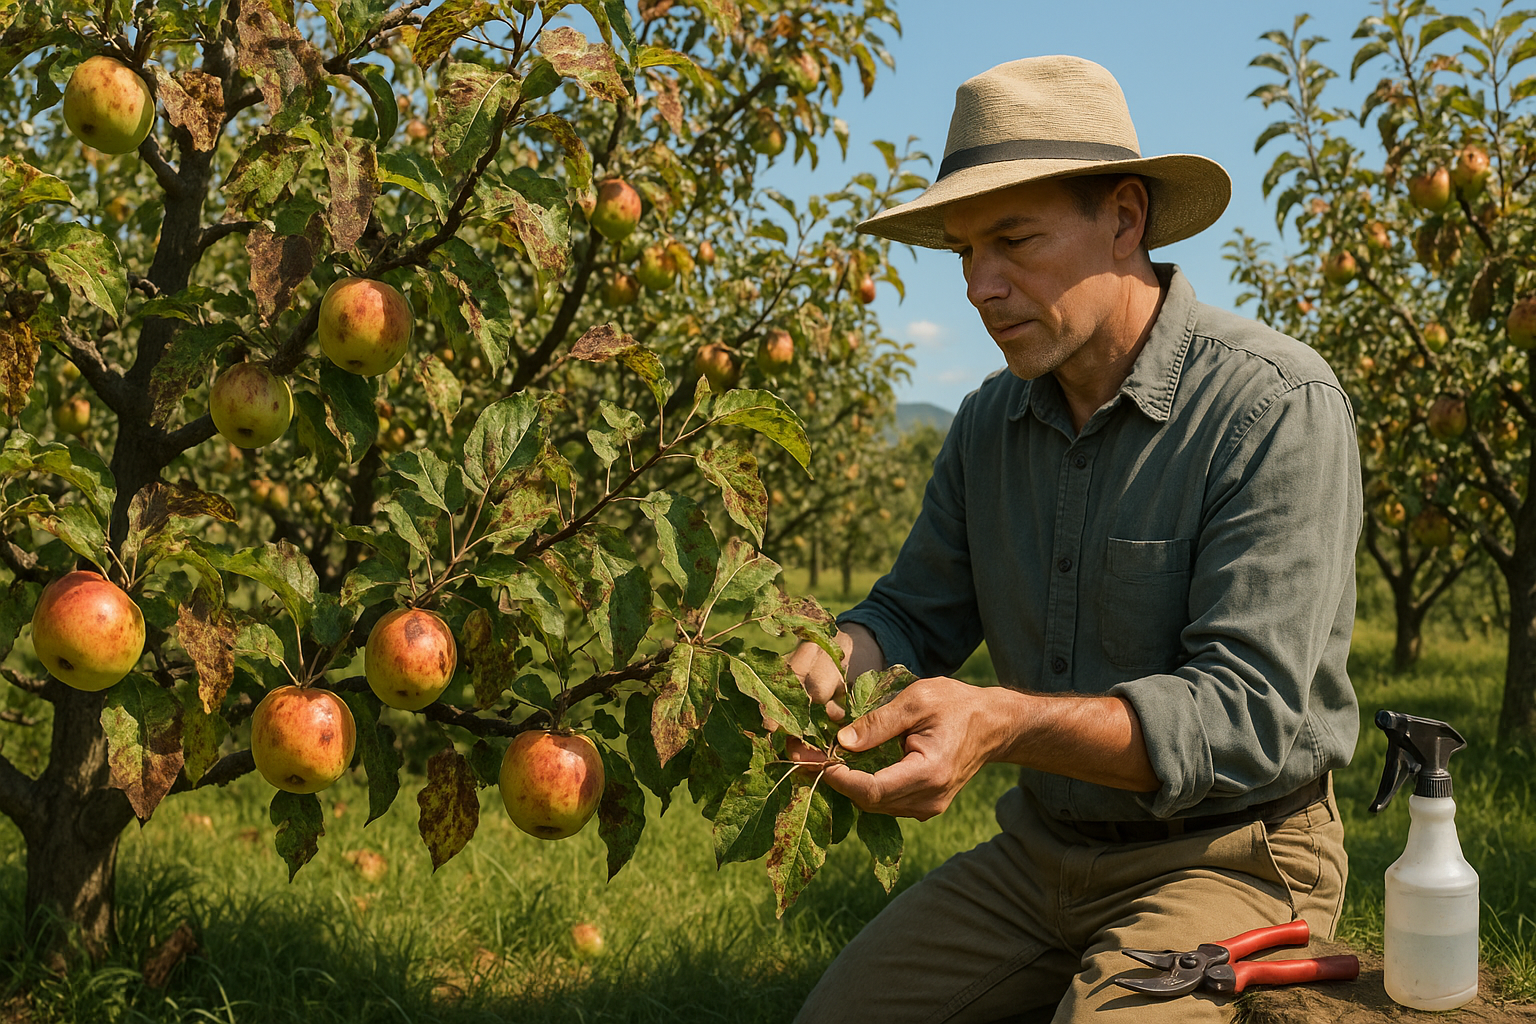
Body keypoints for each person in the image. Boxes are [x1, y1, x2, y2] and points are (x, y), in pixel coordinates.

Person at [788, 55, 1362, 1024]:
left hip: (1233, 854)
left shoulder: (1272, 406)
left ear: (1126, 219)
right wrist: (838, 655)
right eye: (963, 252)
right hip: (1042, 851)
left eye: (1013, 240)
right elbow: (913, 614)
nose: (980, 285)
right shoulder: (989, 424)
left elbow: (1247, 714)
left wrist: (1005, 722)